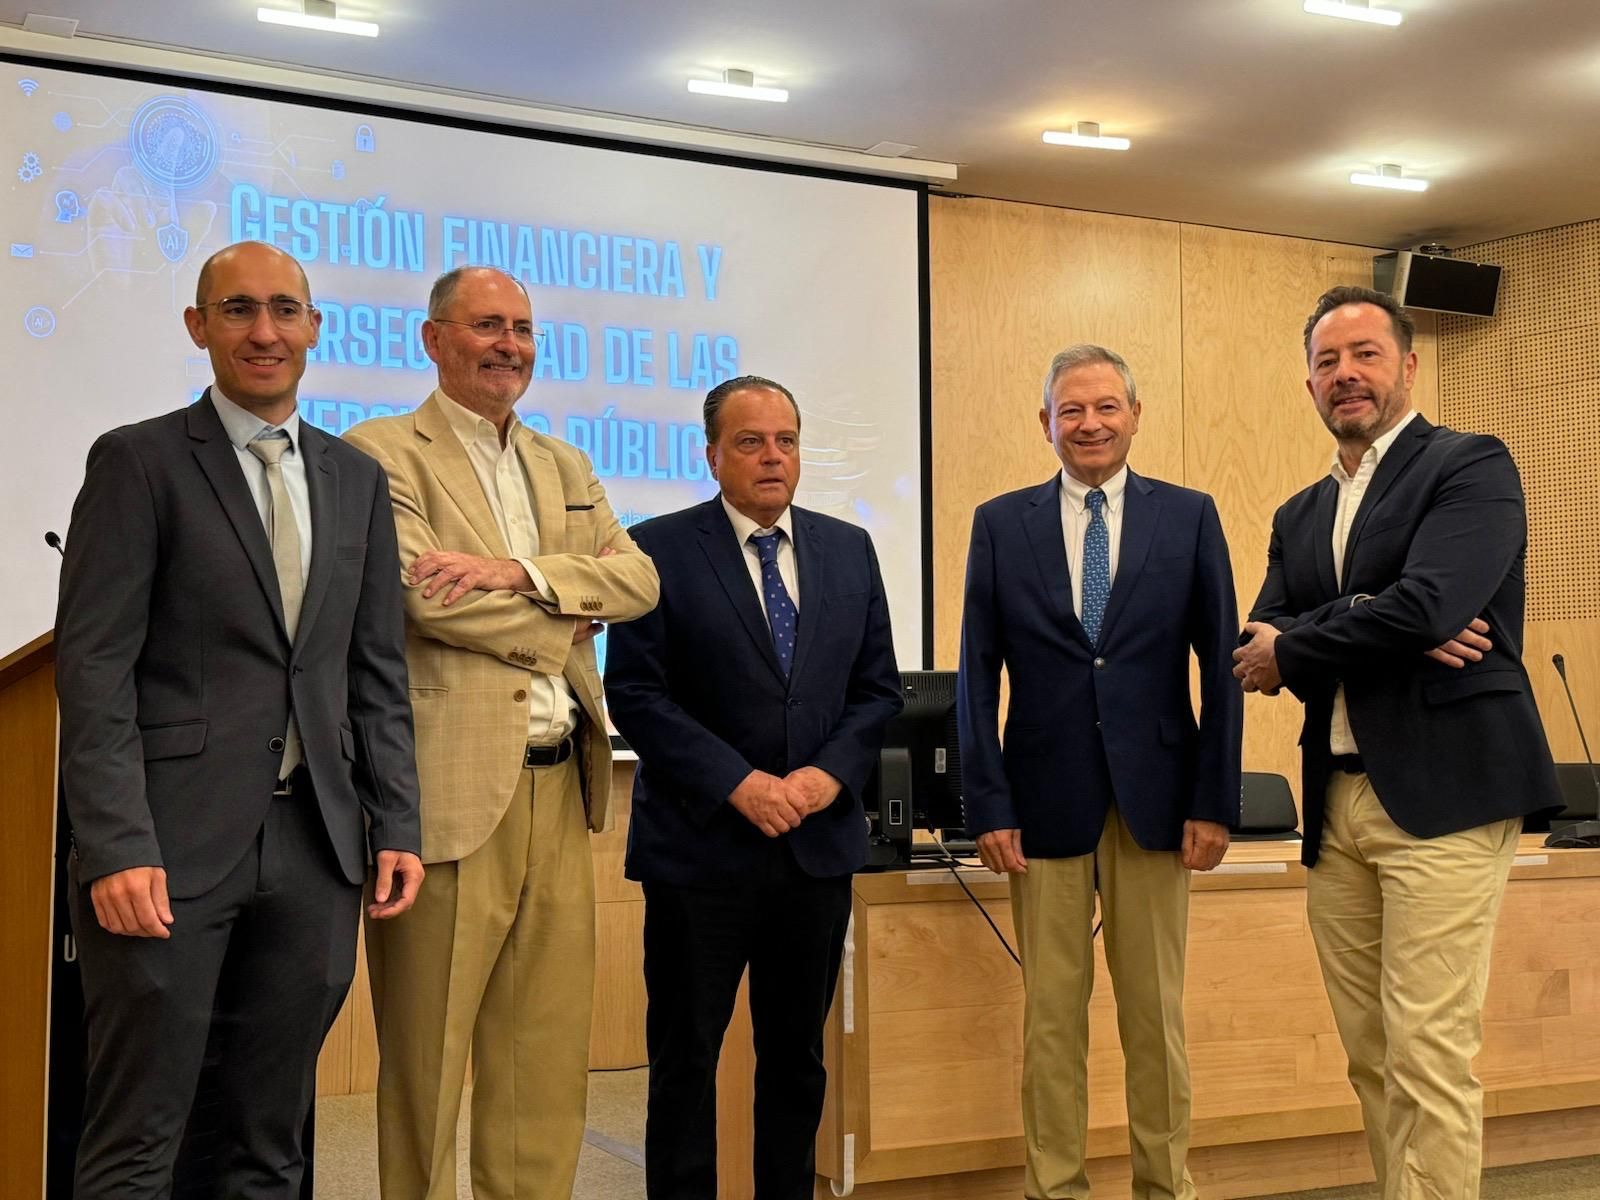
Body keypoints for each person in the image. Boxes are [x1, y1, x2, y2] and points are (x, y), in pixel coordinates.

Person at [55, 240, 424, 1199]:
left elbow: (375, 670)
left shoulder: (356, 478)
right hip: (166, 852)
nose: (265, 331)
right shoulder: (138, 461)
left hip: (317, 851)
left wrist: (397, 823)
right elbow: (95, 671)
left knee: (270, 1147)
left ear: (314, 326)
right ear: (198, 327)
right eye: (238, 310)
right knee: (139, 1141)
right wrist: (115, 845)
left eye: (284, 310)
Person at [1233, 285, 1562, 1200]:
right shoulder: (1299, 513)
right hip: (1336, 805)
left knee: (1428, 1049)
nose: (1346, 374)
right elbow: (1259, 642)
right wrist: (1376, 615)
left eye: (1366, 354)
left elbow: (1428, 604)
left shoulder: (1470, 465)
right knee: (1371, 1055)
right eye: (1327, 361)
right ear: (1308, 382)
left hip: (1445, 795)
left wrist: (1347, 626)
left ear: (1408, 366)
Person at [343, 265, 660, 1200]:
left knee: (543, 1057)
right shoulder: (381, 452)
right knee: (426, 1061)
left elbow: (640, 580)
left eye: (521, 328)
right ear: (433, 338)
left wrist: (519, 574)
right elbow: (422, 596)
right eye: (486, 325)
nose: (508, 345)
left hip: (563, 786)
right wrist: (568, 613)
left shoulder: (565, 463)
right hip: (446, 792)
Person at [604, 375, 902, 1200]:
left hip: (814, 850)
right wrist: (738, 784)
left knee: (798, 1059)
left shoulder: (849, 548)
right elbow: (635, 694)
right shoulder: (653, 548)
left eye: (786, 441)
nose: (773, 457)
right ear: (711, 456)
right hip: (699, 852)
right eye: (750, 442)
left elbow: (877, 689)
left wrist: (826, 775)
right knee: (685, 1060)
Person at [957, 344, 1242, 1200]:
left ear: (1135, 415)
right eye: (1071, 410)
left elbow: (1220, 668)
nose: (1090, 424)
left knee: (1155, 1018)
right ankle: (1057, 1189)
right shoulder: (999, 523)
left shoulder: (1189, 517)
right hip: (1040, 803)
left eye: (1106, 407)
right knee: (1052, 1021)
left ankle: (1166, 1187)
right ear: (1044, 422)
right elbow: (976, 675)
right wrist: (987, 802)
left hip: (1158, 803)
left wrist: (1215, 801)